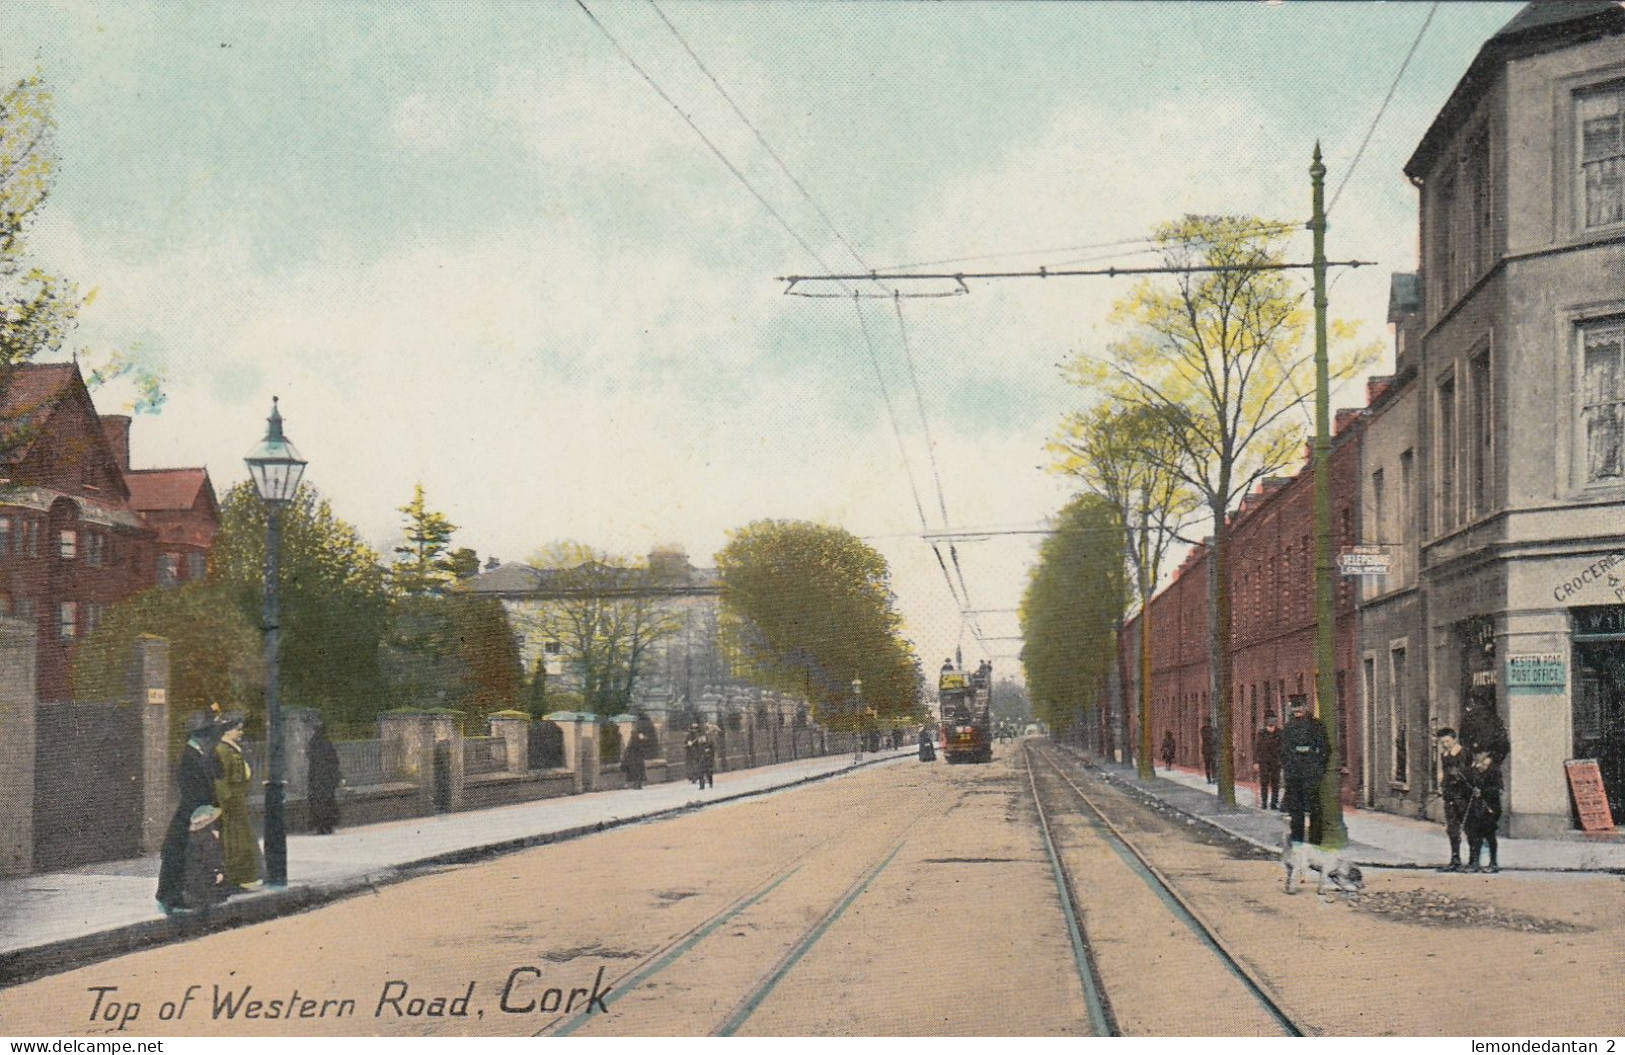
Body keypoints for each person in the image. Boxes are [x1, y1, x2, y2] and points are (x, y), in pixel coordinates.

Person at [156, 720, 223, 915]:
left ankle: (175, 894)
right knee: (177, 854)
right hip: (191, 811)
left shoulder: (197, 754)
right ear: (199, 737)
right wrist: (206, 806)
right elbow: (193, 787)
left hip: (194, 810)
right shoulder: (190, 756)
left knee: (182, 854)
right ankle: (170, 896)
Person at [213, 716, 263, 890]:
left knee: (242, 841)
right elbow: (221, 780)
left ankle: (242, 878)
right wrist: (226, 803)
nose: (241, 732)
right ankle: (234, 879)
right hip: (231, 805)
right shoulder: (223, 750)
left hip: (238, 802)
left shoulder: (232, 749)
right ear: (227, 730)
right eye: (238, 729)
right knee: (234, 842)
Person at [1281, 696, 1329, 845]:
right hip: (1301, 773)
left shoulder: (1315, 726)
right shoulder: (1290, 727)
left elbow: (1325, 750)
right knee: (1301, 809)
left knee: (1309, 808)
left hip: (1307, 773)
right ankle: (1304, 840)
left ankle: (1308, 840)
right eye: (1296, 708)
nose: (1297, 711)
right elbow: (1284, 751)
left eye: (1299, 707)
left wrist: (1318, 767)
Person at [1435, 726, 1471, 871]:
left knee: (1469, 828)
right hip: (1450, 796)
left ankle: (1473, 861)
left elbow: (1468, 773)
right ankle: (1455, 859)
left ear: (1454, 740)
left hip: (1463, 796)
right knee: (1452, 828)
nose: (1445, 745)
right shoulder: (1444, 755)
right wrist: (1442, 785)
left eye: (1447, 741)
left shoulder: (1464, 753)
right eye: (1442, 742)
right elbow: (1445, 773)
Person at [183, 805, 228, 911]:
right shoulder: (208, 838)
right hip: (204, 879)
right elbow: (213, 859)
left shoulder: (191, 836)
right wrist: (218, 872)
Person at [1464, 750, 1502, 873]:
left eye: (1480, 754)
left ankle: (1493, 863)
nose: (1478, 758)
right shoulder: (1474, 770)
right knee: (1475, 835)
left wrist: (1483, 792)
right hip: (1476, 808)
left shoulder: (1495, 771)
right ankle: (1475, 862)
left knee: (1490, 835)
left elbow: (1498, 790)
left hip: (1490, 808)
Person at [307, 721, 343, 835]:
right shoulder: (328, 744)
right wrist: (337, 777)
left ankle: (319, 826)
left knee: (317, 802)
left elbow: (311, 759)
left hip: (316, 778)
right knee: (328, 801)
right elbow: (334, 761)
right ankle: (328, 825)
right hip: (327, 778)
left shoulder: (312, 744)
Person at [1460, 689, 1510, 768]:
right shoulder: (1495, 720)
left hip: (1476, 764)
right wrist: (1490, 758)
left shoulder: (1468, 719)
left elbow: (1463, 741)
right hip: (1487, 763)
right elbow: (1504, 745)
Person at [1253, 711, 1283, 811]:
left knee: (1275, 783)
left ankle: (1274, 803)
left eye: (1273, 719)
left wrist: (1281, 759)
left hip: (1276, 761)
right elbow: (1257, 748)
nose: (1271, 722)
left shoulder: (1279, 733)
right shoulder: (1261, 733)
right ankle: (1264, 802)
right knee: (1264, 782)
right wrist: (1256, 762)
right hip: (1264, 761)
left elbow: (1282, 747)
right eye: (1269, 719)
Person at [621, 726, 649, 790]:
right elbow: (643, 743)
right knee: (637, 770)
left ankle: (636, 783)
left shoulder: (634, 738)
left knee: (635, 770)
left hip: (634, 756)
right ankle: (637, 783)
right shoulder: (637, 737)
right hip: (636, 756)